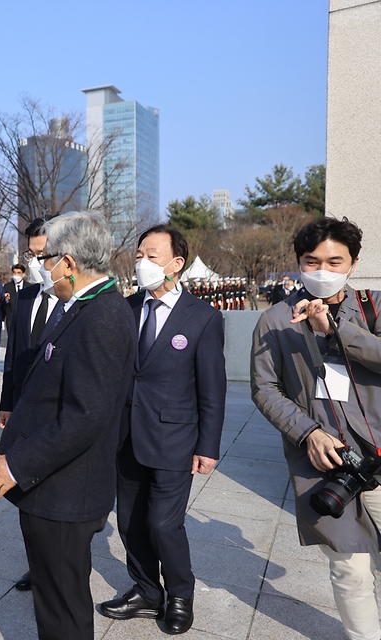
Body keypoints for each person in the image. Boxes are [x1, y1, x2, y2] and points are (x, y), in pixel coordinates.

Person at [0, 212, 137, 640]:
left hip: (67, 489)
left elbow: (85, 415)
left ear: (67, 263)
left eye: (45, 258)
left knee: (62, 604)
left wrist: (15, 466)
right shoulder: (80, 306)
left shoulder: (102, 315)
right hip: (53, 484)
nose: (40, 267)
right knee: (53, 597)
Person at [252, 217, 381, 640]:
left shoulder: (373, 307)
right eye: (312, 261)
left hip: (377, 451)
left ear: (353, 263)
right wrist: (307, 432)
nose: (322, 270)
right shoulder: (274, 320)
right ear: (299, 264)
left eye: (334, 261)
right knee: (350, 566)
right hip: (325, 459)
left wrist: (338, 330)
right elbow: (265, 388)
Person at [99, 225, 226, 635]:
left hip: (174, 439)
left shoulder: (203, 317)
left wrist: (208, 445)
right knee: (129, 521)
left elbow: (212, 388)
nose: (142, 263)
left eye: (152, 256)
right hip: (125, 435)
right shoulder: (125, 306)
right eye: (139, 255)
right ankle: (146, 591)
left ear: (176, 263)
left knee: (163, 524)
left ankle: (180, 594)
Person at [0, 216, 64, 593]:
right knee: (28, 499)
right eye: (32, 254)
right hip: (24, 411)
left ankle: (62, 570)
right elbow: (14, 356)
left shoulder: (74, 302)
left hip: (58, 417)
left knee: (58, 498)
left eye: (44, 254)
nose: (38, 262)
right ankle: (37, 566)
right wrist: (8, 402)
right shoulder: (23, 296)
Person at [3, 263, 27, 332]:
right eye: (14, 273)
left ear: (23, 275)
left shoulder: (29, 287)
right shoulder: (7, 287)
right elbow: (4, 305)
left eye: (19, 273)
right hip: (11, 320)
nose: (16, 275)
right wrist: (6, 300)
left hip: (25, 320)